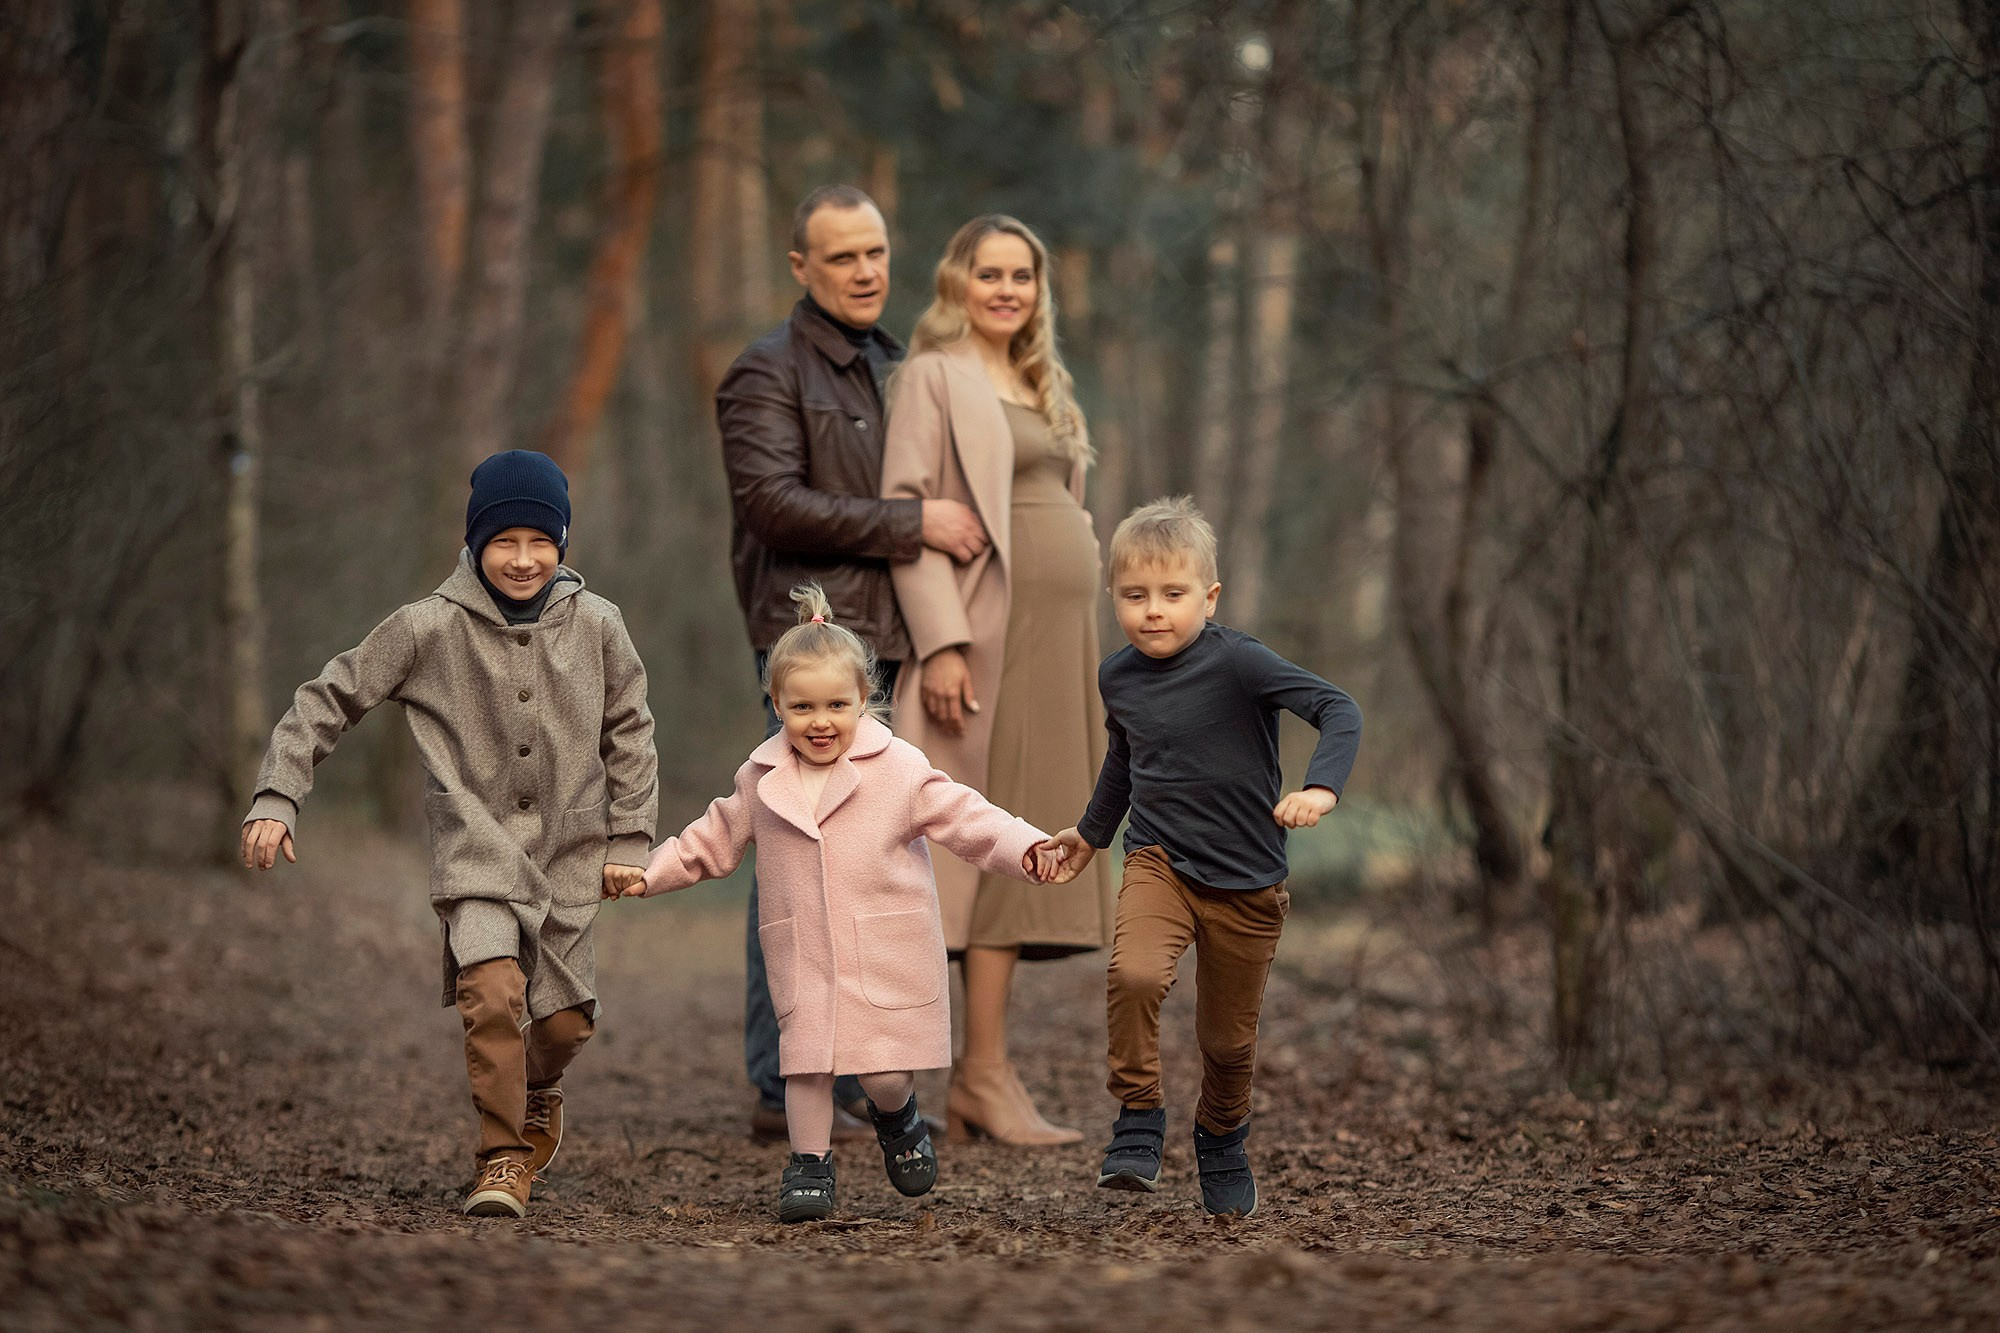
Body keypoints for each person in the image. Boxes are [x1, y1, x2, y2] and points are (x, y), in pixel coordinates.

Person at [239, 449, 658, 1219]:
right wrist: (278, 792)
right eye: (505, 541)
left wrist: (630, 837)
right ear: (475, 543)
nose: (524, 558)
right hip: (475, 850)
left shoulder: (599, 625)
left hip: (568, 853)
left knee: (563, 1024)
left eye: (541, 540)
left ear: (563, 541)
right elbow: (326, 697)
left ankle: (539, 1089)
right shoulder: (427, 627)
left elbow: (630, 729)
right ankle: (502, 1158)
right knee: (492, 989)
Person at [630, 585, 1065, 1222]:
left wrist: (1026, 846)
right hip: (803, 946)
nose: (821, 721)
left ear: (865, 700)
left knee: (883, 1073)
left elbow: (967, 817)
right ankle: (810, 1163)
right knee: (806, 1066)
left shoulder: (899, 769)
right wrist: (648, 873)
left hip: (882, 945)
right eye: (802, 706)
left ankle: (899, 1116)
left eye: (837, 704)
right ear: (776, 704)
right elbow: (710, 840)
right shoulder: (760, 778)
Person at [716, 184, 988, 1144]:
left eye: (876, 252)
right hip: (805, 644)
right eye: (843, 258)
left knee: (876, 864)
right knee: (793, 859)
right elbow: (773, 506)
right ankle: (776, 1078)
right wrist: (913, 525)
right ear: (802, 267)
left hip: (891, 641)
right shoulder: (766, 371)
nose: (867, 271)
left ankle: (868, 1065)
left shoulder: (899, 367)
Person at [1044, 497, 1362, 1217]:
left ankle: (1221, 1136)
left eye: (1172, 594)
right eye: (1134, 595)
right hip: (1160, 859)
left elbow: (1339, 707)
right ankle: (1139, 1115)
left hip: (1249, 880)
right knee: (1133, 972)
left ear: (1208, 597)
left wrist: (1321, 787)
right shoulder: (1116, 676)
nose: (1153, 611)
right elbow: (1126, 760)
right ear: (1114, 597)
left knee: (1228, 1042)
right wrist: (1091, 834)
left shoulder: (1240, 662)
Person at [881, 214, 1113, 1145]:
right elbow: (907, 510)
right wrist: (939, 643)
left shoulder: (1044, 381)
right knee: (978, 847)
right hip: (986, 638)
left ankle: (986, 1072)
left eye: (1024, 274)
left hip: (1062, 645)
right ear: (957, 281)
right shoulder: (933, 377)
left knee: (1028, 843)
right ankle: (961, 1074)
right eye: (991, 273)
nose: (1008, 290)